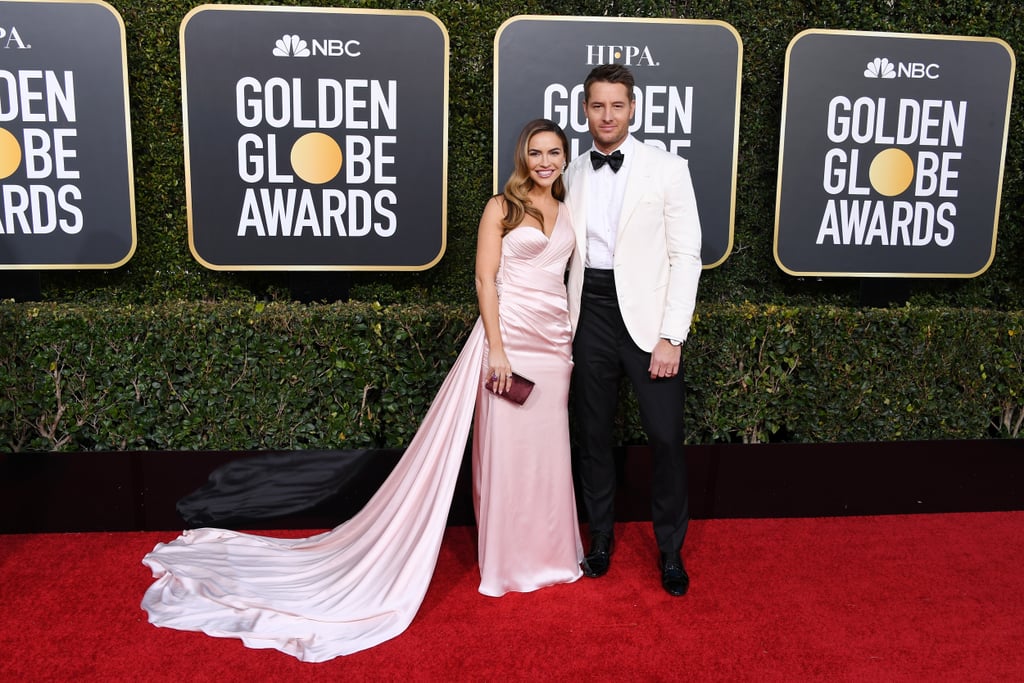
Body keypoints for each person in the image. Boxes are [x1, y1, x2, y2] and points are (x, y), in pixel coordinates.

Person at [141, 118, 582, 662]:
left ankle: (553, 555)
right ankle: (510, 563)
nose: (545, 161)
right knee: (506, 457)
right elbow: (484, 279)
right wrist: (496, 346)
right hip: (509, 344)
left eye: (554, 152)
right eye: (536, 152)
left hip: (555, 347)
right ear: (523, 157)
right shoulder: (502, 208)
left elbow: (570, 279)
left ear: (565, 157)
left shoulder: (570, 207)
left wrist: (568, 343)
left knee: (549, 455)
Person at [564, 64, 703, 597]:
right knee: (593, 437)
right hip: (589, 315)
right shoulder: (572, 171)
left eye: (616, 106)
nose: (607, 116)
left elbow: (685, 255)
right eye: (597, 106)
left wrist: (673, 335)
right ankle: (600, 537)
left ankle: (670, 550)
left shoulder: (668, 168)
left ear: (633, 109)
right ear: (585, 110)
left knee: (666, 439)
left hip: (648, 320)